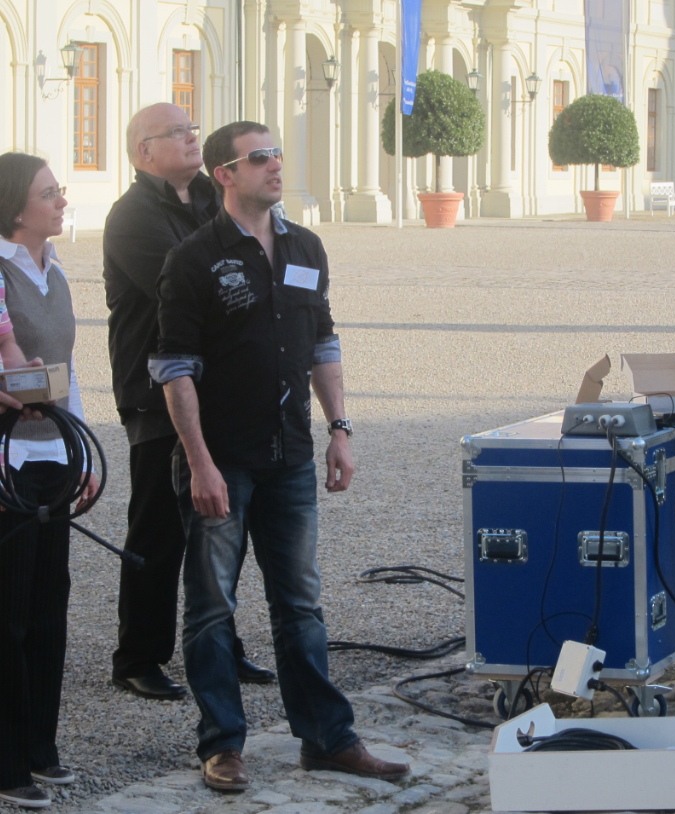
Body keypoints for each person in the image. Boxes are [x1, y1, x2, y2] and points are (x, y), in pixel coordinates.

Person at [148, 121, 409, 791]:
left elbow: (322, 341)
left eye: (277, 155)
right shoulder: (194, 257)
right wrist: (200, 463)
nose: (275, 166)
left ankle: (327, 738)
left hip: (289, 452)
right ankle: (222, 745)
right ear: (224, 175)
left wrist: (340, 429)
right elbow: (175, 368)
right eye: (259, 158)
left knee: (301, 604)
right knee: (211, 607)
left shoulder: (305, 245)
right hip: (221, 459)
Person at [104, 103, 274, 701]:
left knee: (223, 527)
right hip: (157, 392)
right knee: (157, 528)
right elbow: (186, 283)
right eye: (175, 132)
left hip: (219, 391)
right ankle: (139, 656)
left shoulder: (210, 194)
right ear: (142, 151)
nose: (190, 137)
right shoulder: (130, 216)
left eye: (192, 129)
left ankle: (220, 645)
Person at [0, 152, 101, 809]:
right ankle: (7, 762)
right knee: (6, 616)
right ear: (15, 209)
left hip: (53, 458)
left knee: (47, 609)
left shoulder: (55, 266)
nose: (62, 200)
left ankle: (43, 745)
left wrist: (86, 456)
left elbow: (65, 370)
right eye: (49, 193)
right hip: (4, 464)